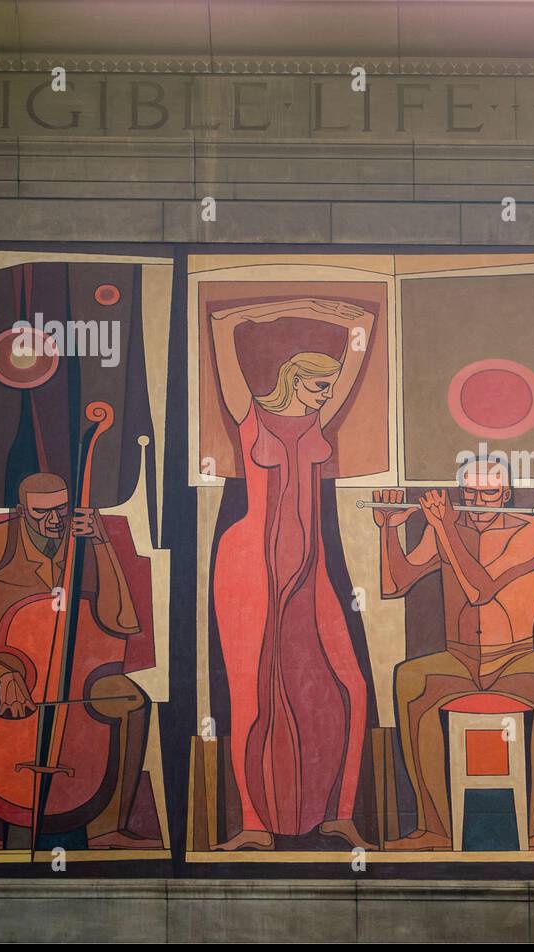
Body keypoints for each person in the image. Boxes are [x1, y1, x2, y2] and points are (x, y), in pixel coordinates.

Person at [209, 298, 373, 851]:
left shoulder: (317, 420)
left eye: (328, 389)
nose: (327, 396)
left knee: (350, 686)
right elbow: (221, 324)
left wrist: (324, 310)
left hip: (311, 566)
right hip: (248, 563)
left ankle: (340, 814)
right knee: (250, 697)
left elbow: (363, 331)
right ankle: (254, 823)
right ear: (294, 380)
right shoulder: (248, 413)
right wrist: (287, 305)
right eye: (318, 387)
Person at [374, 458, 534, 850]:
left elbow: (479, 590)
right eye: (470, 492)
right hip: (459, 658)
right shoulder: (447, 530)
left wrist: (442, 527)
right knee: (409, 679)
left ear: (505, 494)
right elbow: (394, 584)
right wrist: (389, 528)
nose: (478, 501)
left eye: (488, 492)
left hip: (515, 657)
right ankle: (432, 830)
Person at [0, 471, 149, 850]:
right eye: (41, 513)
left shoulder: (86, 542)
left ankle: (111, 827)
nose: (53, 522)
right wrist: (1, 675)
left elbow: (123, 622)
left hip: (76, 669)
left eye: (62, 511)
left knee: (132, 701)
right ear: (19, 511)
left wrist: (101, 545)